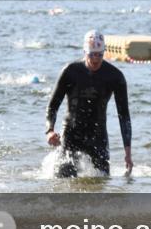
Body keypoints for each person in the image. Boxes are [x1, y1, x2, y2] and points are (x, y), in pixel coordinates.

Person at [45, 30, 133, 177]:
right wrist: (50, 130)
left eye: (99, 54)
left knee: (102, 183)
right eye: (92, 54)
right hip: (72, 134)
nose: (96, 59)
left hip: (97, 136)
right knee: (62, 183)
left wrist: (128, 153)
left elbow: (124, 116)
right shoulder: (70, 71)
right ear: (84, 51)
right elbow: (53, 105)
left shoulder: (115, 76)